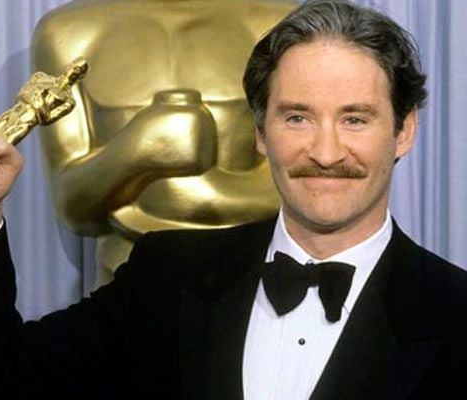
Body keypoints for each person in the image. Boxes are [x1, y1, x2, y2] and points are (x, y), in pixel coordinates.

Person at [0, 0, 467, 399]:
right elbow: (2, 383)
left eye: (354, 119)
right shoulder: (168, 273)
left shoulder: (462, 315)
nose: (325, 152)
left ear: (404, 130)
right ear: (261, 132)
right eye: (297, 117)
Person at [30, 0, 293, 280]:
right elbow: (74, 210)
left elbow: (306, 178)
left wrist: (202, 192)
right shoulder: (67, 32)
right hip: (125, 282)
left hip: (254, 275)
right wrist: (138, 148)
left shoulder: (276, 23)